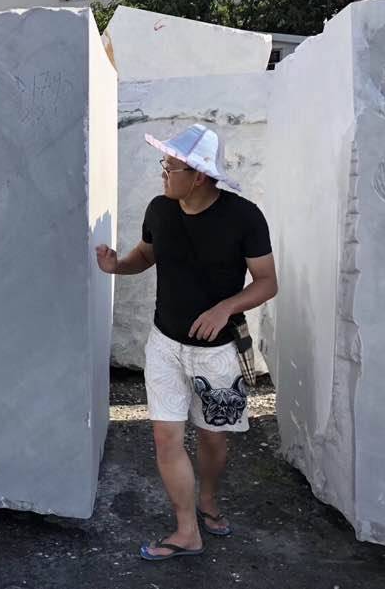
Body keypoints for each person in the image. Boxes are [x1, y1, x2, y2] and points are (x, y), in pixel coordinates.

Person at [95, 124, 278, 561]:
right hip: (164, 344)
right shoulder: (160, 209)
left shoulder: (244, 217)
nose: (163, 173)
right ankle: (186, 530)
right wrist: (117, 265)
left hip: (220, 353)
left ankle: (208, 500)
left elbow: (267, 282)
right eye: (165, 165)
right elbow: (146, 255)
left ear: (198, 175)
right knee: (165, 437)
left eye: (170, 167)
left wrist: (224, 309)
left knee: (213, 439)